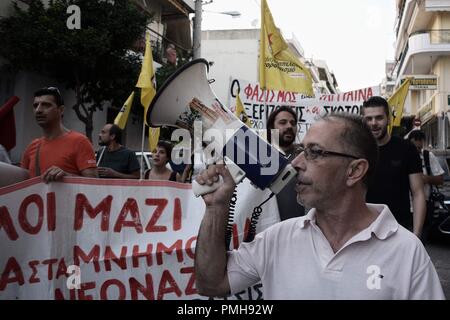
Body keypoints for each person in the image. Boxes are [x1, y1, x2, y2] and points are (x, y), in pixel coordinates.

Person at [194, 113, 445, 299]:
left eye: (315, 152)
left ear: (355, 170)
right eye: (302, 150)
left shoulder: (406, 252)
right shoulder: (278, 238)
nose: (296, 164)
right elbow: (211, 284)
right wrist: (216, 209)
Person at [361, 96, 426, 238]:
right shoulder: (356, 151)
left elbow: (418, 193)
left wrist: (416, 235)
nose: (374, 123)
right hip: (365, 231)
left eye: (379, 118)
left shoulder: (407, 148)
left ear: (389, 119)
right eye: (369, 119)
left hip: (400, 229)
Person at [21, 87, 97, 183]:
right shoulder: (31, 147)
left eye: (46, 105)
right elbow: (21, 184)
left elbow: (94, 186)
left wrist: (67, 177)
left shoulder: (80, 142)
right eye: (35, 105)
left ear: (61, 110)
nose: (38, 110)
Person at [267, 106, 305, 220]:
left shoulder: (305, 155)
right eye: (283, 122)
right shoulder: (258, 155)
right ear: (271, 127)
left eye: (293, 123)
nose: (289, 126)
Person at [408, 129, 445, 240]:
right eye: (414, 148)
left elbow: (440, 179)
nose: (417, 151)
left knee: (420, 240)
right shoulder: (404, 157)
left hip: (424, 205)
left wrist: (425, 179)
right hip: (405, 207)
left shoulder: (429, 157)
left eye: (419, 148)